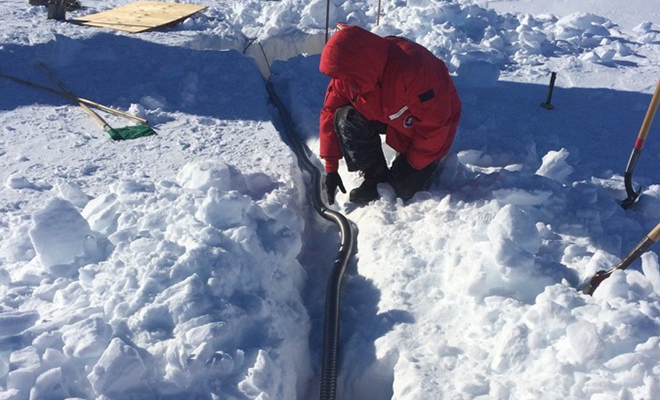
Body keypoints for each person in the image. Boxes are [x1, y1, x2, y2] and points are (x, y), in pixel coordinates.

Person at [319, 23, 462, 205]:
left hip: (433, 128)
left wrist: (412, 166)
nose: (344, 83)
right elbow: (330, 113)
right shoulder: (348, 77)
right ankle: (375, 173)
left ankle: (433, 164)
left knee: (403, 189)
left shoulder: (414, 69)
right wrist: (331, 168)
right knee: (346, 117)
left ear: (362, 66)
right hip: (389, 114)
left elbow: (436, 125)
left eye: (349, 78)